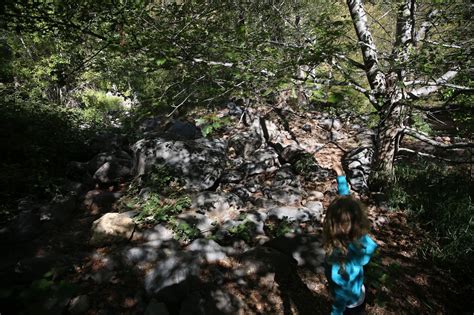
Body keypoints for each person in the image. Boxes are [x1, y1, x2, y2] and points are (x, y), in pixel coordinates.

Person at [323, 162, 378, 315]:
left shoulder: (338, 259)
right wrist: (341, 177)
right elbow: (347, 208)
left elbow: (340, 298)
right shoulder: (361, 239)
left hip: (348, 306)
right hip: (359, 293)